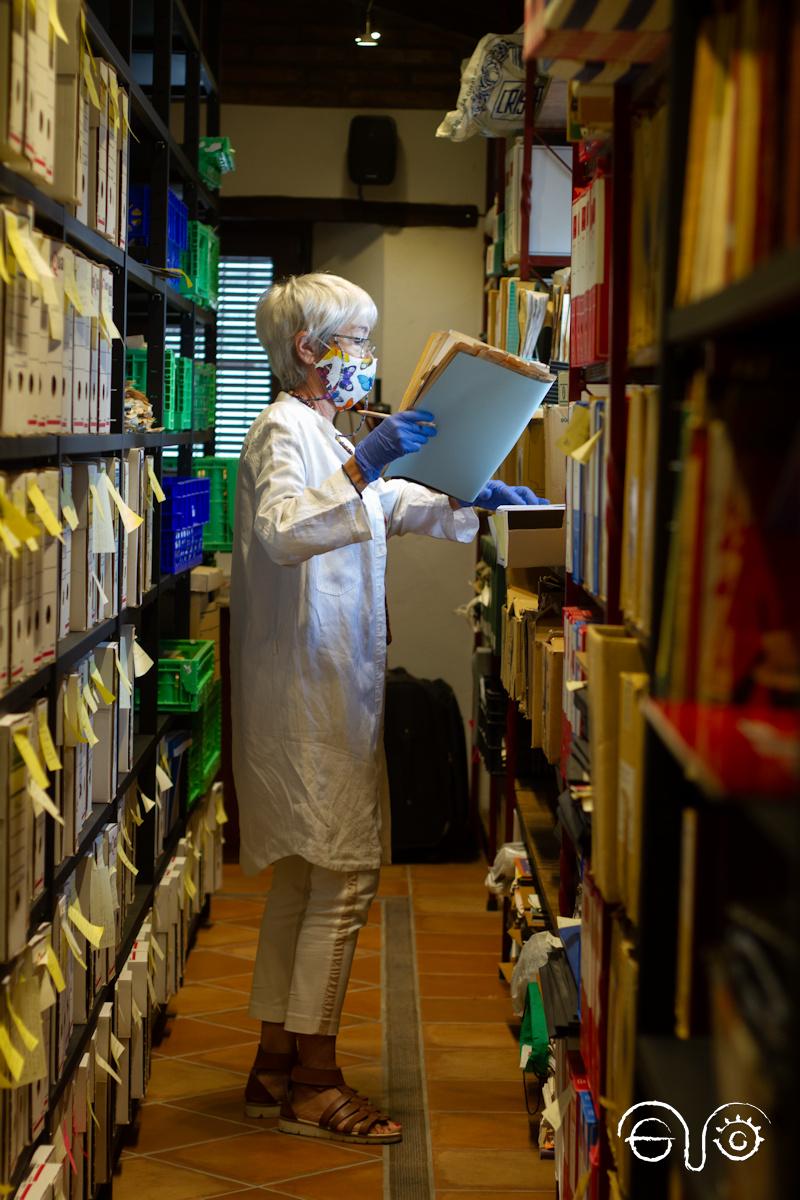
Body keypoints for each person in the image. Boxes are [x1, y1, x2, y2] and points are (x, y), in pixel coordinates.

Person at [230, 272, 542, 1147]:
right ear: (309, 350)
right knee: (343, 876)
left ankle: (273, 1065)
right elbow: (286, 530)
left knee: (304, 879)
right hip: (308, 698)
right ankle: (316, 1084)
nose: (367, 359)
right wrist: (369, 462)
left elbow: (380, 503)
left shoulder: (321, 430)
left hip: (317, 693)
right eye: (357, 343)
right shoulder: (283, 433)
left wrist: (471, 500)